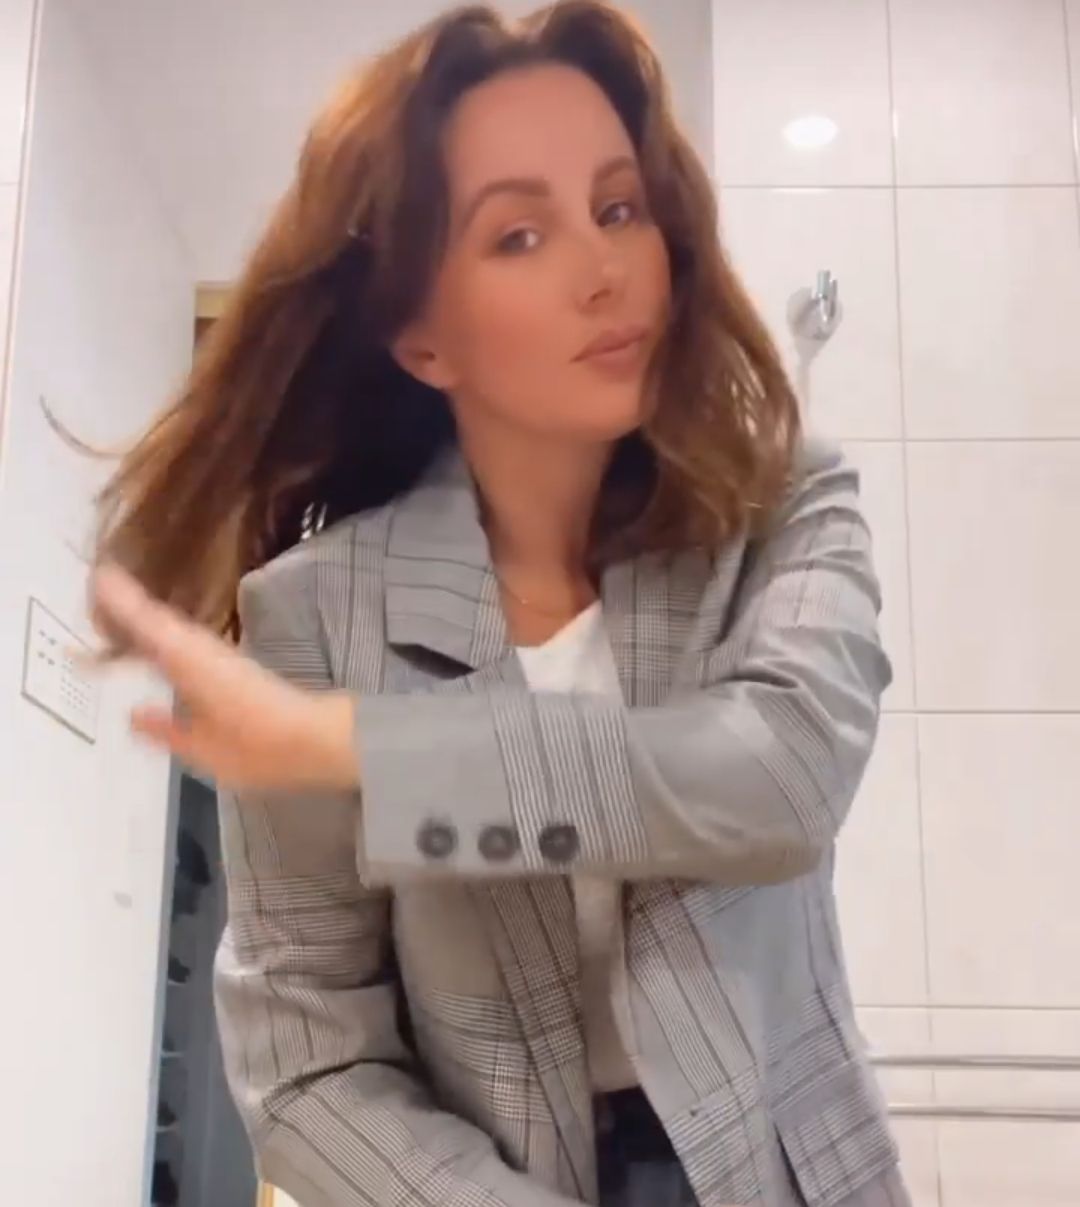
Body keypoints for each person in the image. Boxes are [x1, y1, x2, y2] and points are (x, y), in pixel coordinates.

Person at [90, 3, 908, 1205]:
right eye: (521, 235)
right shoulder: (314, 617)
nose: (605, 270)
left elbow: (781, 777)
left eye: (618, 209)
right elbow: (306, 1066)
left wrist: (366, 751)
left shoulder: (780, 497)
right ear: (424, 341)